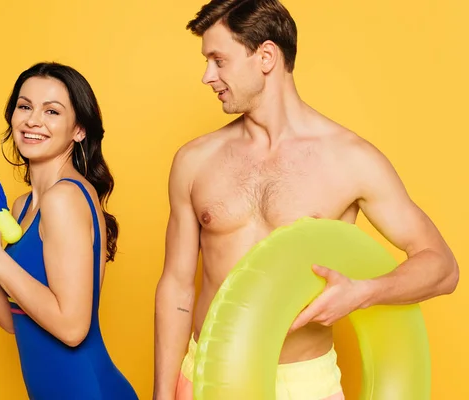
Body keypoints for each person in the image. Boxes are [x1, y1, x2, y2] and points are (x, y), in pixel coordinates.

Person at [153, 1, 459, 399]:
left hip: (303, 384)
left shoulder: (351, 160)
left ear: (265, 56)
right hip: (208, 376)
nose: (207, 76)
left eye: (218, 60)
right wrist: (162, 393)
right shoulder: (194, 161)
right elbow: (177, 287)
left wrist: (363, 292)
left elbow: (442, 266)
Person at [0, 62, 139, 400]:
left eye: (52, 111)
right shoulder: (22, 207)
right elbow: (15, 322)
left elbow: (72, 328)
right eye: (24, 106)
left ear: (79, 130)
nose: (33, 120)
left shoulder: (64, 198)